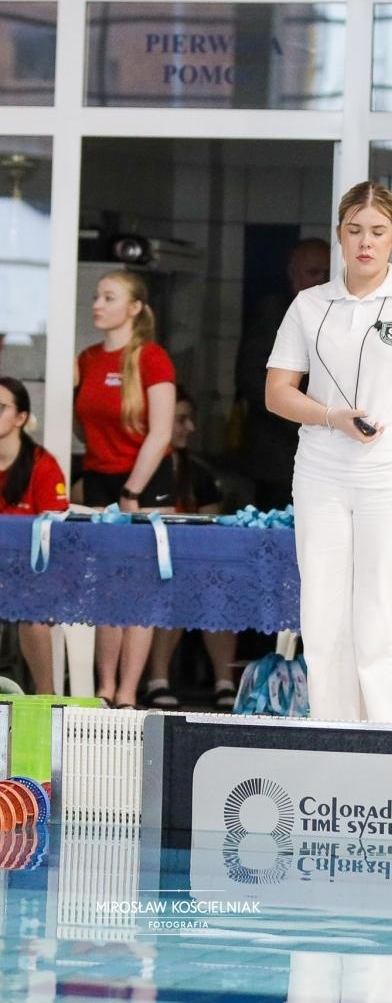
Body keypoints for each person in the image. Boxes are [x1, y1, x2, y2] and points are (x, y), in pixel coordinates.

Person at [265, 181, 392, 723]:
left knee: (379, 612)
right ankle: (329, 728)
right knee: (323, 611)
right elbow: (278, 392)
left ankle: (385, 733)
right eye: (354, 230)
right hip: (321, 473)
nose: (365, 242)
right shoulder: (309, 306)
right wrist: (332, 416)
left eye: (377, 231)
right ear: (339, 235)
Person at [74, 270, 175, 708]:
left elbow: (161, 431)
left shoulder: (151, 359)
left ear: (134, 308)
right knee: (105, 588)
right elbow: (82, 422)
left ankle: (129, 692)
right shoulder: (87, 358)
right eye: (97, 296)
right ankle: (104, 687)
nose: (98, 304)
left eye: (109, 297)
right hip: (100, 476)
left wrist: (132, 489)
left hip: (144, 480)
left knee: (138, 588)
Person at [143, 387, 236, 710]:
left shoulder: (198, 473)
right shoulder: (142, 471)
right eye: (181, 419)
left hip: (195, 563)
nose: (190, 428)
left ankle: (225, 683)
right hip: (151, 564)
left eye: (190, 420)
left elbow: (215, 528)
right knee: (170, 588)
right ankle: (158, 681)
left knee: (219, 587)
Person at [234, 238, 331, 510]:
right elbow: (251, 377)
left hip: (320, 449)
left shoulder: (332, 310)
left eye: (327, 273)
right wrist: (304, 416)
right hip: (278, 453)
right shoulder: (274, 310)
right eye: (313, 272)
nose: (321, 280)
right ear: (293, 273)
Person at [0, 376, 69, 694]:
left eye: (0, 407)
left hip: (32, 571)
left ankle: (46, 696)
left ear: (21, 418)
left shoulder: (42, 465)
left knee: (33, 608)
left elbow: (56, 534)